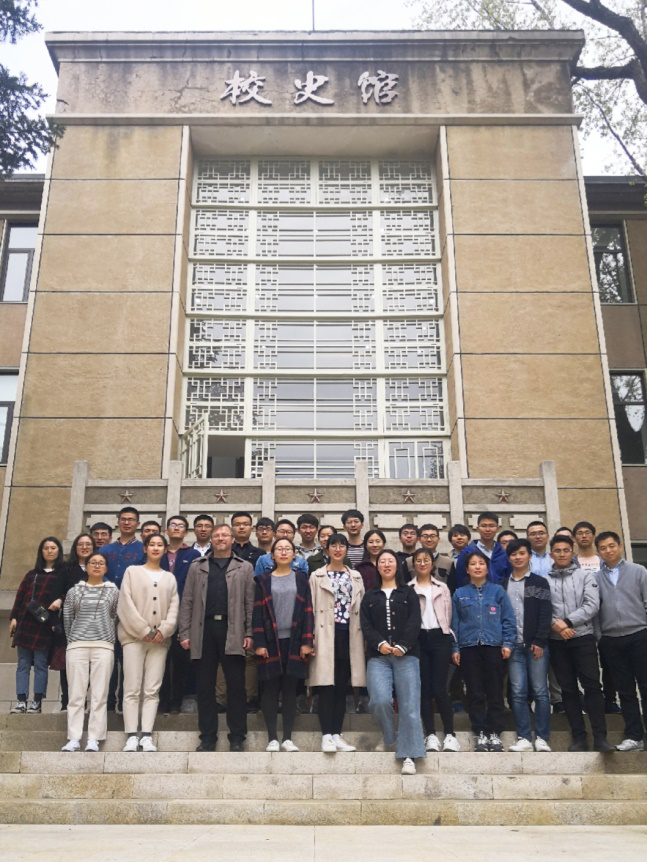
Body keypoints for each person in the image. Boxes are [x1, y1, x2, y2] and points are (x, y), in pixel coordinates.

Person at [178, 524, 255, 752]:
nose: (220, 539)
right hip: (203, 630)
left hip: (233, 630)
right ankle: (208, 737)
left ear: (232, 539)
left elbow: (250, 603)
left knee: (236, 685)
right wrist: (184, 632)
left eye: (224, 535)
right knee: (205, 686)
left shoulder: (244, 567)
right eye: (217, 535)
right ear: (211, 539)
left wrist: (249, 632)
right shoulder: (197, 566)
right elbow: (187, 601)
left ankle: (237, 737)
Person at [361, 549, 426, 775]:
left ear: (397, 566)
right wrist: (379, 643)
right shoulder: (370, 596)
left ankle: (409, 755)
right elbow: (365, 625)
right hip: (378, 656)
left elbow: (415, 621)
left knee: (409, 706)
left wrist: (403, 645)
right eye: (382, 561)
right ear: (377, 566)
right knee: (378, 700)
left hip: (406, 655)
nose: (387, 565)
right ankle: (390, 737)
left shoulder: (408, 593)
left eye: (391, 561)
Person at [546, 535, 613, 752]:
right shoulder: (544, 580)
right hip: (557, 641)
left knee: (592, 687)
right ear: (551, 554)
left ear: (572, 553)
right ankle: (579, 737)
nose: (562, 554)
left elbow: (592, 605)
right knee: (568, 690)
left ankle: (600, 737)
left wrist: (567, 622)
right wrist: (557, 626)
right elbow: (542, 610)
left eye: (566, 550)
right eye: (558, 551)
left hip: (583, 638)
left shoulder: (585, 576)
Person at [117, 533, 179, 752]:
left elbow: (174, 607)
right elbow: (125, 603)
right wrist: (143, 630)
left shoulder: (169, 578)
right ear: (145, 548)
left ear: (165, 549)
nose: (155, 548)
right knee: (132, 688)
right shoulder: (132, 572)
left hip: (160, 641)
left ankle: (146, 735)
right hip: (133, 638)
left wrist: (164, 630)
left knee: (152, 689)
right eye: (151, 544)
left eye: (160, 545)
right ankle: (131, 735)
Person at [252, 538, 314, 751]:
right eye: (279, 549)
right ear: (272, 555)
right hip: (270, 641)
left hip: (294, 640)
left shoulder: (302, 579)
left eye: (288, 549)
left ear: (294, 555)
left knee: (290, 689)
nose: (284, 552)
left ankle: (287, 737)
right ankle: (272, 738)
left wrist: (307, 641)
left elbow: (308, 611)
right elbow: (258, 613)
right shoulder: (263, 580)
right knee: (270, 688)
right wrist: (259, 643)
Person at [451, 549, 515, 752]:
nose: (477, 567)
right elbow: (454, 624)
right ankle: (480, 732)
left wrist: (508, 643)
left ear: (487, 568)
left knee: (495, 691)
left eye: (481, 563)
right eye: (473, 564)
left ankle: (495, 733)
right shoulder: (459, 594)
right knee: (475, 691)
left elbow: (508, 619)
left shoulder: (498, 591)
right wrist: (455, 648)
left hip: (494, 646)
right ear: (467, 569)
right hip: (468, 647)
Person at [309, 533, 366, 753]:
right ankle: (326, 735)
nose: (338, 549)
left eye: (342, 545)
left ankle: (336, 734)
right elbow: (310, 609)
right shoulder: (317, 576)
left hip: (349, 634)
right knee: (326, 685)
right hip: (324, 635)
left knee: (342, 686)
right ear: (327, 549)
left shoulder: (356, 576)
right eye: (334, 545)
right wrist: (309, 638)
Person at [61, 552, 119, 752]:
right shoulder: (74, 591)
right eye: (92, 562)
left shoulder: (113, 591)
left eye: (101, 563)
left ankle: (94, 738)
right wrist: (74, 639)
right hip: (77, 645)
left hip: (104, 645)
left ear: (106, 568)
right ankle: (74, 738)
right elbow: (68, 619)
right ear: (86, 567)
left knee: (99, 694)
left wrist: (107, 636)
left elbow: (115, 617)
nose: (96, 566)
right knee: (76, 694)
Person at [595, 531, 647, 751]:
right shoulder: (596, 578)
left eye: (611, 546)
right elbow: (595, 611)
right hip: (612, 640)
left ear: (620, 546)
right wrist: (600, 638)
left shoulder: (638, 571)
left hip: (639, 635)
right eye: (603, 548)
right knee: (625, 691)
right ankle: (634, 736)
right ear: (598, 552)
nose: (608, 551)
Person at [503, 539, 552, 752]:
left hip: (535, 646)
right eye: (514, 554)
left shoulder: (540, 582)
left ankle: (542, 737)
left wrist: (540, 640)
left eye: (522, 553)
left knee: (540, 691)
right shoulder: (502, 584)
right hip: (513, 646)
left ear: (529, 556)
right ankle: (523, 737)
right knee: (517, 692)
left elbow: (545, 613)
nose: (518, 557)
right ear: (509, 558)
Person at [408, 548, 459, 752]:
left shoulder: (442, 587)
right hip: (419, 639)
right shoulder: (408, 589)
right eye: (418, 560)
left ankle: (450, 734)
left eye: (426, 560)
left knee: (440, 688)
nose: (422, 563)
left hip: (440, 637)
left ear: (432, 563)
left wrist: (453, 643)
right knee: (424, 689)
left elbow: (449, 615)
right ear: (413, 564)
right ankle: (430, 734)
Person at [9, 537, 66, 714]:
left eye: (53, 548)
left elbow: (67, 593)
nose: (49, 551)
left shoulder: (62, 574)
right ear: (41, 551)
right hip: (25, 622)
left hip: (45, 623)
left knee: (41, 663)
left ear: (59, 551)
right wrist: (14, 617)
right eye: (46, 548)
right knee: (23, 664)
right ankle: (21, 701)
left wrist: (60, 600)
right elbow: (20, 597)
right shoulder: (31, 575)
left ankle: (37, 702)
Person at [99, 506, 145, 713]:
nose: (127, 523)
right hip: (106, 611)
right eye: (124, 519)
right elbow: (97, 574)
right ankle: (107, 702)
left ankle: (125, 703)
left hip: (132, 611)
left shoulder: (142, 550)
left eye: (131, 519)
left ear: (137, 524)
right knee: (107, 657)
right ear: (117, 521)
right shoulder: (105, 550)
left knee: (128, 657)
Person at [574, 522, 620, 714]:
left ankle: (610, 698)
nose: (584, 536)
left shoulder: (604, 561)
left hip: (606, 615)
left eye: (587, 532)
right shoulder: (571, 562)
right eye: (580, 533)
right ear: (574, 538)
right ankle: (589, 699)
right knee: (585, 662)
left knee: (609, 658)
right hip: (582, 616)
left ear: (593, 536)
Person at [158, 515, 201, 715]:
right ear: (166, 530)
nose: (176, 528)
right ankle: (162, 699)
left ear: (186, 531)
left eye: (181, 525)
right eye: (173, 525)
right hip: (159, 613)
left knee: (181, 660)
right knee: (160, 660)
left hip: (184, 614)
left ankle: (178, 700)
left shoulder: (192, 554)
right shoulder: (157, 552)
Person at [59, 533, 96, 711]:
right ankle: (66, 700)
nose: (84, 547)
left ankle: (83, 700)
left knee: (89, 664)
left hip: (93, 623)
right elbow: (58, 591)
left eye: (88, 544)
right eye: (81, 544)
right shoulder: (65, 568)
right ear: (75, 547)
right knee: (68, 664)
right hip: (70, 623)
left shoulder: (98, 567)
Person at [454, 512, 511, 589]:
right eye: (484, 526)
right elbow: (460, 581)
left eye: (491, 526)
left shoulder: (504, 553)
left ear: (497, 528)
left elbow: (509, 579)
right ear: (477, 528)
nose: (487, 529)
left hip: (499, 595)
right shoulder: (467, 553)